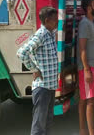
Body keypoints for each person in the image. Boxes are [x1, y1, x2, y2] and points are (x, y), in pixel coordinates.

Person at [17, 7, 58, 135]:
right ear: (47, 20)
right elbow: (21, 53)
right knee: (39, 125)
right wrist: (34, 69)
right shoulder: (41, 35)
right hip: (42, 88)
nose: (57, 22)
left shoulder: (50, 34)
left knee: (47, 122)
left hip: (50, 87)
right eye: (55, 19)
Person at [77, 0, 94, 135]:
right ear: (89, 8)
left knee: (86, 99)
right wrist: (86, 70)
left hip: (91, 67)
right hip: (87, 67)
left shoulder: (90, 22)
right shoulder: (85, 24)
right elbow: (82, 48)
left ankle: (83, 131)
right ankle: (89, 132)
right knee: (90, 101)